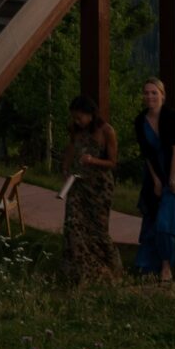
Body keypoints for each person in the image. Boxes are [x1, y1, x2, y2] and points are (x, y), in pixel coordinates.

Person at [132, 77, 175, 279]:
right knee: (153, 219)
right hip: (155, 173)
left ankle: (167, 265)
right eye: (146, 93)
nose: (150, 96)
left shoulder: (172, 117)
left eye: (154, 93)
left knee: (166, 223)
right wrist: (156, 180)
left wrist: (172, 181)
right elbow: (146, 153)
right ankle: (152, 264)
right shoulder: (140, 121)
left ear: (162, 95)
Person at [62, 95, 120, 281]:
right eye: (74, 117)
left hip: (100, 187)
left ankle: (108, 270)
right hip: (79, 182)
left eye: (80, 117)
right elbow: (71, 148)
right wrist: (65, 167)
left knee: (97, 230)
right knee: (73, 223)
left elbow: (112, 162)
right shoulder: (75, 129)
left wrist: (92, 160)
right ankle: (79, 270)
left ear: (91, 115)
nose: (77, 121)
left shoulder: (107, 131)